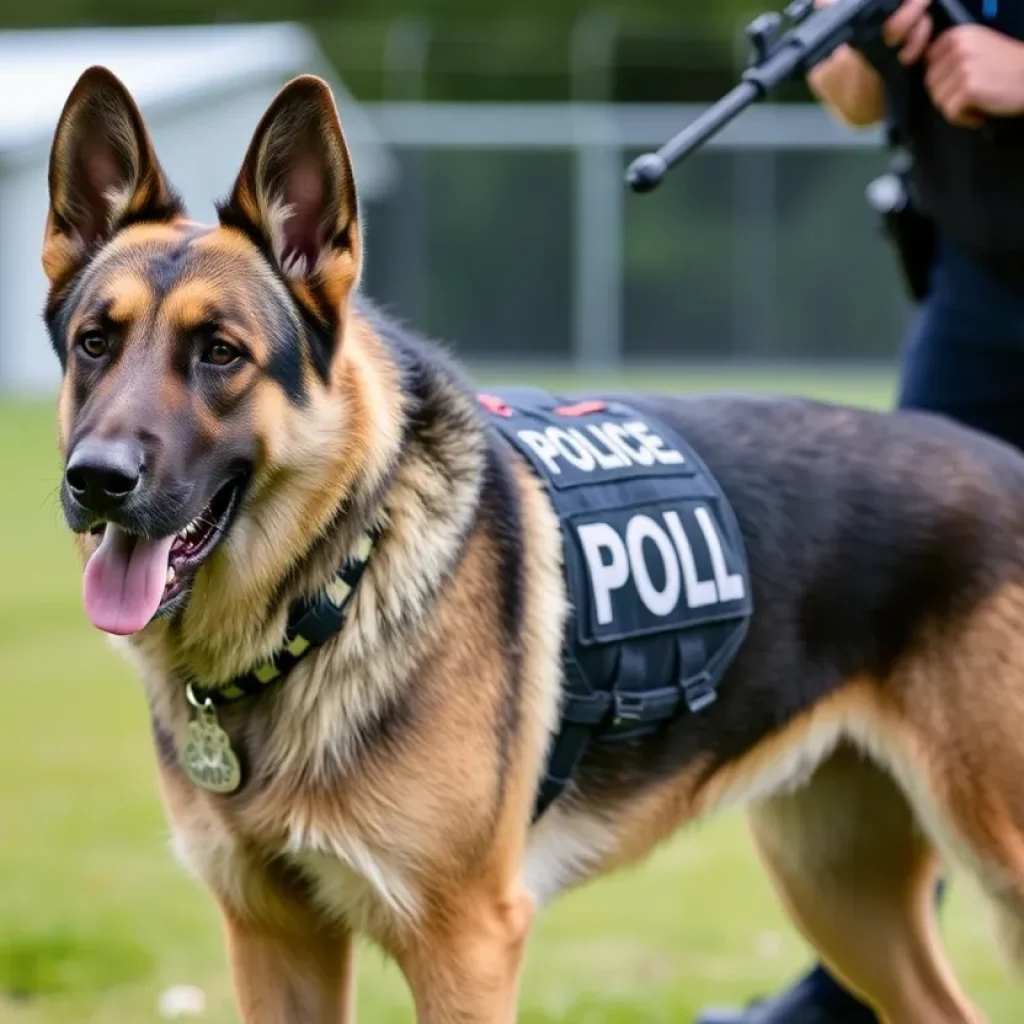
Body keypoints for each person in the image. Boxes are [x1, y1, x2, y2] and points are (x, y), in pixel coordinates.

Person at [696, 0, 1024, 1021]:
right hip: (979, 284)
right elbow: (854, 102)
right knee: (901, 617)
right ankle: (859, 986)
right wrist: (864, 53)